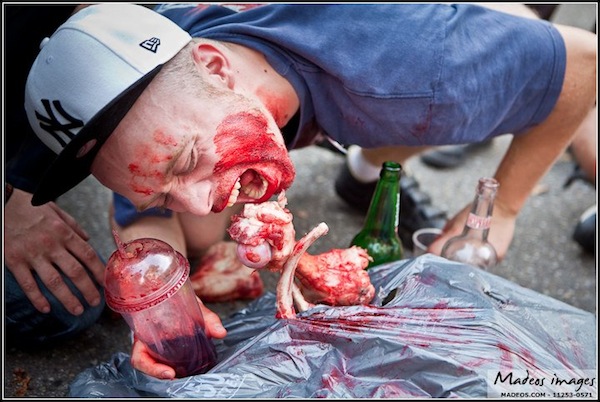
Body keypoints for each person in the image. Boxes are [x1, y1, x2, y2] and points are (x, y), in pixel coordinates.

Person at [21, 3, 596, 379]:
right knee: (198, 233)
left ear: (217, 67)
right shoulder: (167, 82)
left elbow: (581, 64)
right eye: (163, 191)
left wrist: (503, 209)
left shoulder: (410, 75)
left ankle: (377, 158)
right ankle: (364, 169)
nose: (197, 200)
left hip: (435, 46)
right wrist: (167, 305)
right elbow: (147, 217)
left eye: (187, 161)